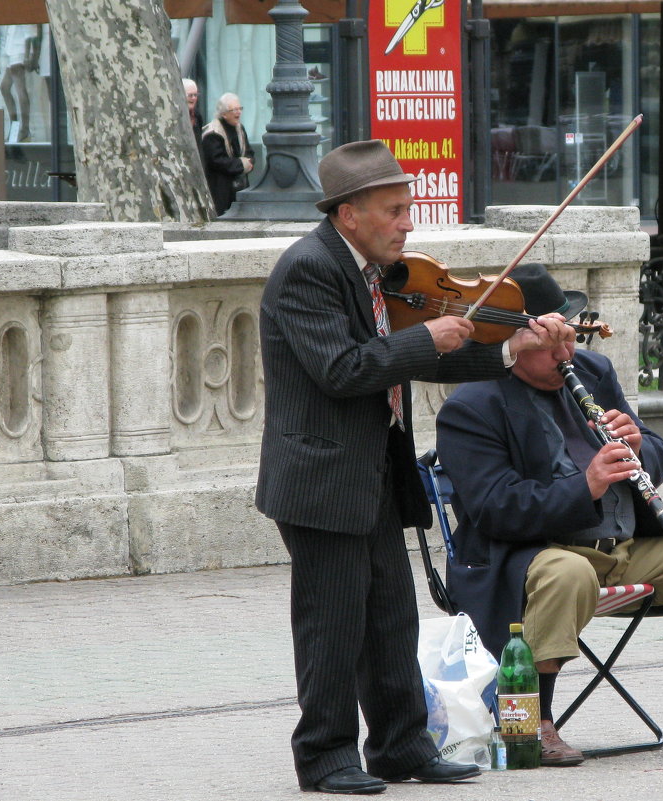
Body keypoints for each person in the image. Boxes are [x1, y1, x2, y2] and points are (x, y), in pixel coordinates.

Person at [256, 139, 574, 794]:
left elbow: (425, 356)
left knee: (392, 616)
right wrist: (425, 337)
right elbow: (343, 369)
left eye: (408, 209)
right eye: (395, 211)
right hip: (321, 479)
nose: (408, 223)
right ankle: (324, 755)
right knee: (333, 623)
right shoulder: (308, 270)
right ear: (349, 213)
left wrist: (510, 347)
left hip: (373, 471)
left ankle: (401, 744)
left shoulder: (374, 272)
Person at [436, 272, 663, 767]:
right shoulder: (472, 405)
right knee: (568, 572)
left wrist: (639, 447)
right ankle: (532, 721)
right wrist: (585, 485)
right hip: (533, 557)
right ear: (513, 344)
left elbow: (657, 454)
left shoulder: (594, 370)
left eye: (568, 338)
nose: (566, 356)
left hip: (619, 548)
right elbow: (496, 509)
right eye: (551, 345)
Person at [202, 92, 254, 216]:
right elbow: (217, 161)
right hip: (220, 189)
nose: (238, 112)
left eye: (239, 108)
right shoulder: (212, 133)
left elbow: (250, 152)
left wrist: (250, 162)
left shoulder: (240, 128)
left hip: (240, 187)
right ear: (224, 114)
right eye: (234, 110)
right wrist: (242, 165)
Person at [182, 79, 204, 162]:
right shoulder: (175, 116)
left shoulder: (197, 116)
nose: (194, 98)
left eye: (196, 95)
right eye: (190, 95)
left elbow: (199, 146)